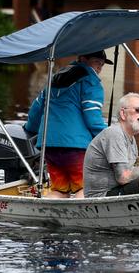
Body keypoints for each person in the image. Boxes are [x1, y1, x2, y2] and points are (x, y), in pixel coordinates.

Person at [24, 50, 113, 198]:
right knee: (86, 189)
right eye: (97, 63)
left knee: (59, 190)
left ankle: (50, 218)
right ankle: (79, 220)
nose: (99, 68)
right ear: (83, 58)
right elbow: (93, 118)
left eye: (102, 65)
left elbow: (36, 110)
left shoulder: (54, 79)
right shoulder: (91, 81)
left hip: (49, 146)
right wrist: (110, 139)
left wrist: (30, 130)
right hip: (76, 148)